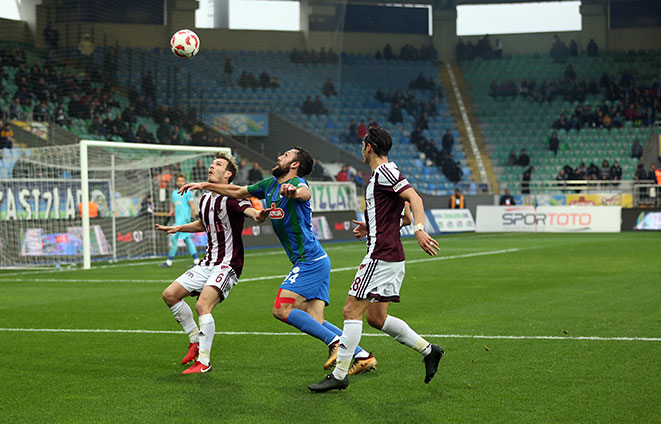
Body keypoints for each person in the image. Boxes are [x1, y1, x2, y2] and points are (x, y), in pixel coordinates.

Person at [179, 147, 376, 373]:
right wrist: (205, 185)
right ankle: (362, 355)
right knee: (315, 319)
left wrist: (293, 192)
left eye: (285, 155)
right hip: (314, 259)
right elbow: (238, 191)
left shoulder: (298, 183)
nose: (279, 156)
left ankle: (335, 343)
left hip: (310, 260)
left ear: (294, 165)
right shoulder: (269, 185)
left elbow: (305, 193)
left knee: (281, 309)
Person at [308, 126, 442, 393]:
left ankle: (340, 375)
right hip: (391, 255)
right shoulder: (383, 176)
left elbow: (414, 199)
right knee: (376, 318)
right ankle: (429, 350)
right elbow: (402, 216)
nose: (362, 148)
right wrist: (370, 226)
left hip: (381, 255)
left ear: (368, 147)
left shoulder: (384, 172)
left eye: (363, 144)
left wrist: (420, 229)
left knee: (350, 311)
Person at [157, 153, 270, 374]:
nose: (211, 166)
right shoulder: (206, 198)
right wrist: (179, 228)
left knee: (202, 305)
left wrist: (259, 215)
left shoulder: (234, 197)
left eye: (217, 164)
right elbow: (203, 224)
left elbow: (252, 213)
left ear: (227, 174)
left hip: (228, 263)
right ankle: (194, 339)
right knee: (170, 295)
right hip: (208, 262)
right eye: (211, 163)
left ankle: (204, 362)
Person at [160, 174, 200, 268]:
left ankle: (169, 261)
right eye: (178, 181)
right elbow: (173, 206)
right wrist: (168, 217)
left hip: (185, 220)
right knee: (185, 240)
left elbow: (192, 206)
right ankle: (196, 261)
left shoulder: (188, 192)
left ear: (185, 182)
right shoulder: (174, 193)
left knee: (177, 239)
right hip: (178, 221)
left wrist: (192, 218)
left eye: (182, 181)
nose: (180, 183)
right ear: (176, 182)